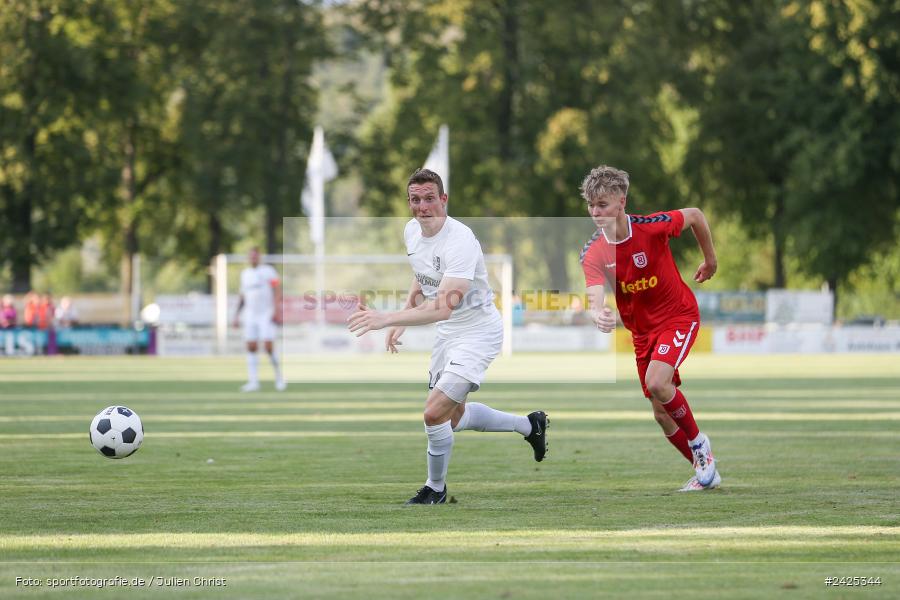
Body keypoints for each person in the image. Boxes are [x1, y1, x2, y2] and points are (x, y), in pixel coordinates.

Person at [348, 168, 548, 505]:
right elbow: (424, 274)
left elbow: (442, 308)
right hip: (447, 335)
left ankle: (435, 489)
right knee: (452, 419)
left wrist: (386, 318)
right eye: (415, 200)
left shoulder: (460, 240)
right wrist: (404, 314)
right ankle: (530, 426)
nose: (422, 206)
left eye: (429, 198)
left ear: (443, 199)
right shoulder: (411, 231)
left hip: (478, 333)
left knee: (433, 413)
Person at [579, 165, 720, 491]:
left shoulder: (652, 228)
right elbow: (594, 295)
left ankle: (699, 443)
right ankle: (705, 472)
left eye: (602, 205)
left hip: (678, 317)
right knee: (661, 414)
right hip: (642, 334)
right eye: (591, 205)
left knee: (658, 382)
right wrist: (598, 313)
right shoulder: (593, 252)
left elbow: (696, 215)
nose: (595, 212)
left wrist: (710, 260)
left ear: (622, 202)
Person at [232, 247, 285, 392]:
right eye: (251, 256)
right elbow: (242, 296)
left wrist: (276, 310)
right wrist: (236, 315)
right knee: (251, 346)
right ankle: (253, 382)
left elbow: (277, 289)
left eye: (255, 256)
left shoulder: (268, 271)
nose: (253, 258)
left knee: (268, 347)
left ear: (259, 257)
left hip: (266, 314)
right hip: (250, 315)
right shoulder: (245, 274)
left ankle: (279, 378)